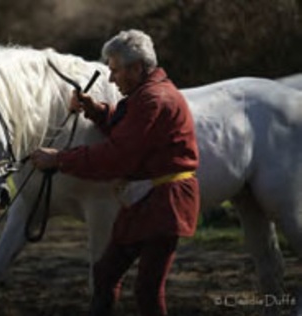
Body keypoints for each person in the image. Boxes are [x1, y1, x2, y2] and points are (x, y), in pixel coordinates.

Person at [31, 29, 200, 316]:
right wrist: (95, 110)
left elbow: (116, 156)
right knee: (106, 274)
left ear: (136, 68)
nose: (110, 78)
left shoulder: (153, 99)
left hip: (164, 204)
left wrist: (59, 159)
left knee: (147, 289)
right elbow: (128, 131)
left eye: (115, 71)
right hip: (145, 201)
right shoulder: (146, 94)